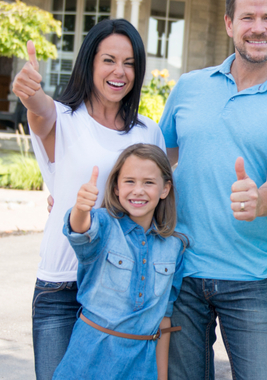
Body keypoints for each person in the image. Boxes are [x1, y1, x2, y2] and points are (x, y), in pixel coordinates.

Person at [159, 0, 267, 380]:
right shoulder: (190, 87)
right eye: (247, 17)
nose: (258, 28)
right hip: (180, 274)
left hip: (251, 280)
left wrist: (260, 200)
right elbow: (158, 164)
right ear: (230, 23)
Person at [12, 19, 166, 380]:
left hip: (120, 291)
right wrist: (28, 89)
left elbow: (157, 206)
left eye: (129, 63)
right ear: (89, 63)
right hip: (62, 286)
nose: (119, 72)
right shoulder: (62, 118)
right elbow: (39, 108)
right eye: (108, 60)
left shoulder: (148, 131)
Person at [52, 144, 186, 380]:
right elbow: (79, 231)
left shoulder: (175, 246)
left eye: (149, 182)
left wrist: (162, 377)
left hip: (141, 366)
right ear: (116, 188)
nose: (138, 190)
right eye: (129, 181)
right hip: (88, 360)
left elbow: (164, 319)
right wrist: (81, 209)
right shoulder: (103, 224)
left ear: (165, 189)